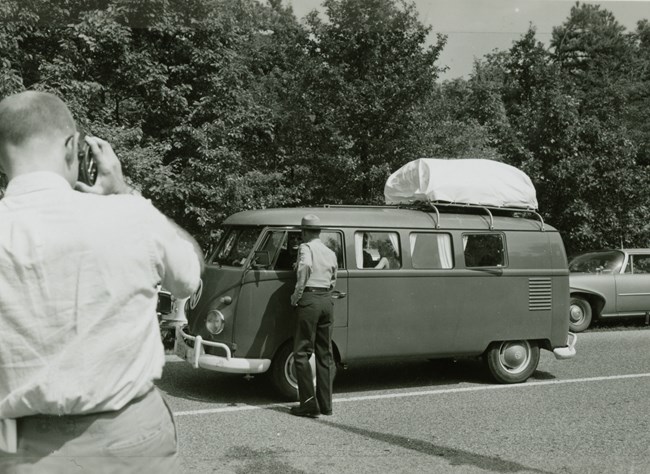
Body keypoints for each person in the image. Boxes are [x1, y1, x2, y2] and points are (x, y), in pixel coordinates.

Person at [0, 91, 204, 472]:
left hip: (19, 444)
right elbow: (190, 276)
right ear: (72, 147)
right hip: (129, 437)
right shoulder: (129, 216)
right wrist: (125, 194)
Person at [289, 214, 338, 418]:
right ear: (319, 232)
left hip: (310, 299)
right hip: (327, 298)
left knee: (301, 353)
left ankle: (309, 404)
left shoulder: (305, 248)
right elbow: (334, 276)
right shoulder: (329, 251)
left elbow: (306, 266)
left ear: (304, 232)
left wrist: (297, 294)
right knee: (324, 354)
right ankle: (326, 406)